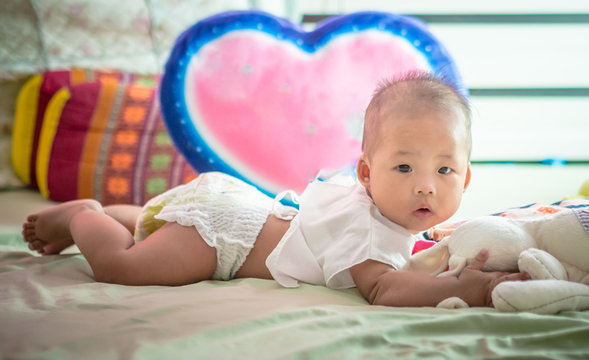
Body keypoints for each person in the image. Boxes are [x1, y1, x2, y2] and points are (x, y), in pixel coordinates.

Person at [22, 72, 529, 308]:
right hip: (225, 240)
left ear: (465, 178)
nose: (425, 185)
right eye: (403, 167)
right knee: (125, 267)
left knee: (159, 222)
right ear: (366, 174)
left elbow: (417, 253)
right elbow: (385, 288)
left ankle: (122, 216)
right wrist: (466, 287)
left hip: (241, 204)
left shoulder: (401, 211)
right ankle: (83, 216)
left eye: (444, 171)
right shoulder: (366, 227)